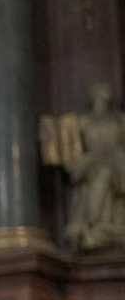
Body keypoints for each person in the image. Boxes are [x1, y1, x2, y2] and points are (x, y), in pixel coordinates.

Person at [62, 82, 125, 253]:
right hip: (92, 162)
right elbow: (70, 149)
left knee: (108, 173)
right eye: (99, 94)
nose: (103, 97)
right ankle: (95, 222)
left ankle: (104, 224)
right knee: (101, 174)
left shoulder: (119, 120)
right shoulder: (83, 121)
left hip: (117, 161)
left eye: (105, 94)